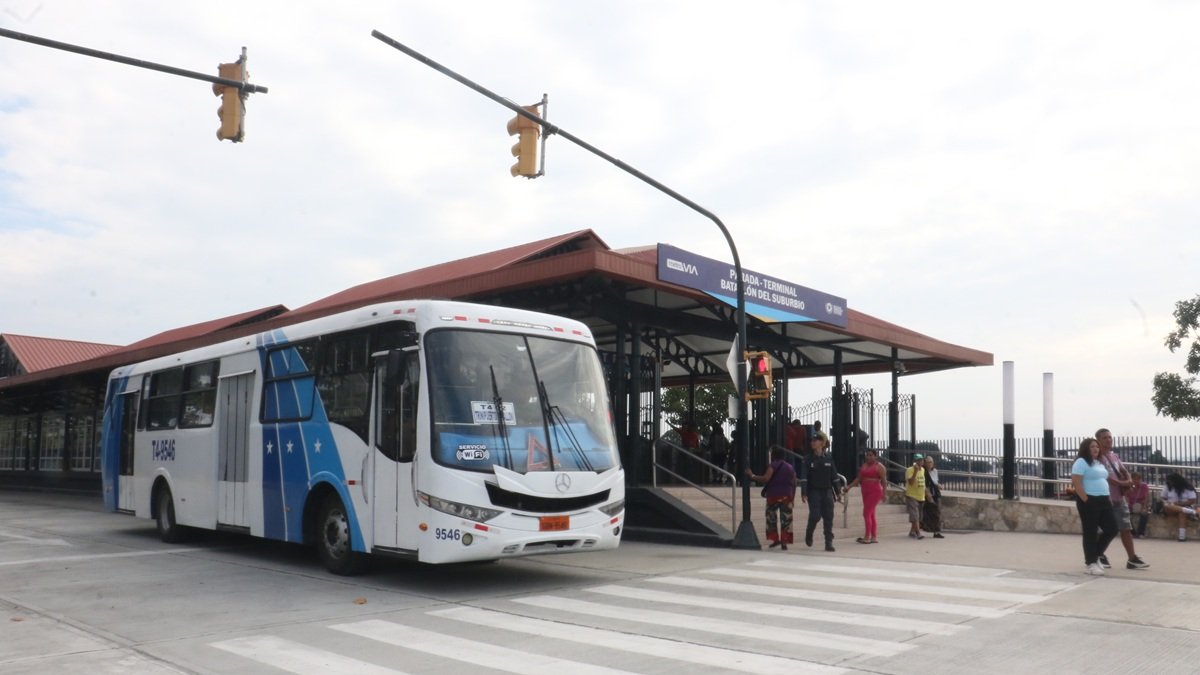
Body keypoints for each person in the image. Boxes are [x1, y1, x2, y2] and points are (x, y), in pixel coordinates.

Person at [1096, 428, 1150, 569]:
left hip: (1119, 498)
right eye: (1105, 438)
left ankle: (1132, 558)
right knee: (1107, 529)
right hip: (1106, 499)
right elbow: (1105, 477)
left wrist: (1128, 479)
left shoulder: (1114, 456)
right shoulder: (1097, 458)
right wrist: (1122, 483)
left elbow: (1123, 470)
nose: (1108, 440)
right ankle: (1098, 554)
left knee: (1125, 528)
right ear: (1098, 440)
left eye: (1109, 437)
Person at [1072, 437, 1118, 576]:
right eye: (1092, 447)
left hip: (1103, 499)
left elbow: (1103, 480)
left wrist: (1108, 497)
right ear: (1086, 448)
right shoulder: (1081, 462)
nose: (1095, 449)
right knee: (1090, 532)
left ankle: (1096, 554)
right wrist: (1086, 500)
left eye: (1097, 447)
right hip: (1089, 500)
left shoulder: (1098, 462)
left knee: (1112, 529)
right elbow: (1077, 482)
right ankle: (1090, 563)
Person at [746, 446, 796, 550]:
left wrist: (752, 476)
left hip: (773, 495)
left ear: (773, 456)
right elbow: (794, 482)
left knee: (771, 517)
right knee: (786, 519)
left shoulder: (772, 466)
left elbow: (766, 478)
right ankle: (784, 541)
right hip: (787, 495)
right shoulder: (790, 467)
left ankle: (775, 539)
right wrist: (793, 497)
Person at [801, 433, 839, 551]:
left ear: (822, 443)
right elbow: (804, 477)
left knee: (828, 517)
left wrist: (838, 491)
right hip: (814, 491)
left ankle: (828, 542)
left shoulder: (828, 458)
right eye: (812, 440)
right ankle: (809, 532)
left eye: (815, 440)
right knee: (815, 515)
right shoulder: (807, 459)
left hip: (827, 491)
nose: (813, 442)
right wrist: (804, 492)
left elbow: (834, 476)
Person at [845, 449, 886, 544]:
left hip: (875, 491)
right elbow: (859, 478)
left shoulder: (880, 467)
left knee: (866, 513)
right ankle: (873, 536)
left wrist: (884, 493)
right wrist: (849, 487)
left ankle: (867, 536)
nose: (868, 457)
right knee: (871, 514)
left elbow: (884, 481)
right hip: (865, 490)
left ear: (875, 456)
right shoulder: (864, 466)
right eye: (867, 455)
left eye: (871, 455)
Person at [1160, 472, 1198, 542]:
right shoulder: (1167, 486)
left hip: (1185, 506)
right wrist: (1167, 502)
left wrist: (1180, 504)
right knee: (1168, 506)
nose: (1170, 483)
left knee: (1182, 513)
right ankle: (1192, 512)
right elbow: (1163, 498)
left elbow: (1192, 500)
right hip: (1170, 507)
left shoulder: (1187, 487)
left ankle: (1182, 536)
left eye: (1171, 481)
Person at [921, 455, 945, 538]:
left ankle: (936, 531)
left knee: (937, 512)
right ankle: (919, 529)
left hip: (935, 493)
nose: (930, 464)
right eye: (928, 462)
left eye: (931, 462)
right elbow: (924, 483)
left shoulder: (935, 471)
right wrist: (927, 494)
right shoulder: (923, 471)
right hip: (926, 494)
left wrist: (939, 485)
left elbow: (935, 481)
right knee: (925, 513)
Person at [904, 453, 926, 539]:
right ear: (915, 461)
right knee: (915, 515)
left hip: (921, 495)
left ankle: (912, 531)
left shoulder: (923, 470)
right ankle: (918, 533)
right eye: (918, 460)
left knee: (919, 516)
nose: (920, 462)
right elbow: (911, 482)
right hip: (912, 495)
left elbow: (922, 482)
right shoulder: (910, 470)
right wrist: (915, 471)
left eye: (921, 460)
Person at [1125, 471, 1151, 538]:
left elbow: (1146, 498)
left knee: (1144, 514)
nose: (1136, 481)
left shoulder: (1144, 486)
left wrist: (1144, 507)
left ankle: (1141, 533)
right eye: (1134, 479)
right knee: (1125, 514)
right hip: (1131, 505)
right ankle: (1132, 532)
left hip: (1141, 505)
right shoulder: (1129, 486)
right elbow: (1126, 497)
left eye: (1138, 479)